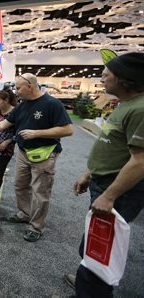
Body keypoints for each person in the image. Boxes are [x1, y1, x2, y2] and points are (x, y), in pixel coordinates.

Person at [65, 52, 144, 297]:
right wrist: (89, 173)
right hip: (105, 183)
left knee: (102, 250)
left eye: (108, 71)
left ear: (126, 78)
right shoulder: (127, 105)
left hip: (118, 190)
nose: (102, 76)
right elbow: (114, 146)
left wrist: (109, 196)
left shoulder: (140, 109)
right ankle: (85, 281)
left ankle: (90, 288)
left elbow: (140, 161)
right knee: (94, 244)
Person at [0, 73, 73, 242]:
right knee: (20, 185)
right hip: (23, 153)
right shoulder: (23, 105)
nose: (15, 92)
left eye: (18, 88)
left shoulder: (52, 104)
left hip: (44, 154)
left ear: (29, 86)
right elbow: (3, 124)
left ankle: (36, 227)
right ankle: (25, 214)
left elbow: (68, 130)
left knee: (40, 191)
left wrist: (37, 133)